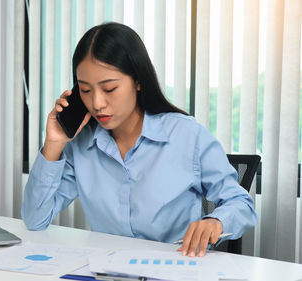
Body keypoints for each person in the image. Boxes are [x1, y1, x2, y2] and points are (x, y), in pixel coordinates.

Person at [21, 22, 257, 257]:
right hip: (108, 269)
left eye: (110, 89)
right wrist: (54, 142)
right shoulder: (81, 145)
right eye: (85, 90)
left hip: (173, 268)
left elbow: (241, 203)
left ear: (138, 80)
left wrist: (216, 220)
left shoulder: (187, 135)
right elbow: (35, 219)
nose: (97, 103)